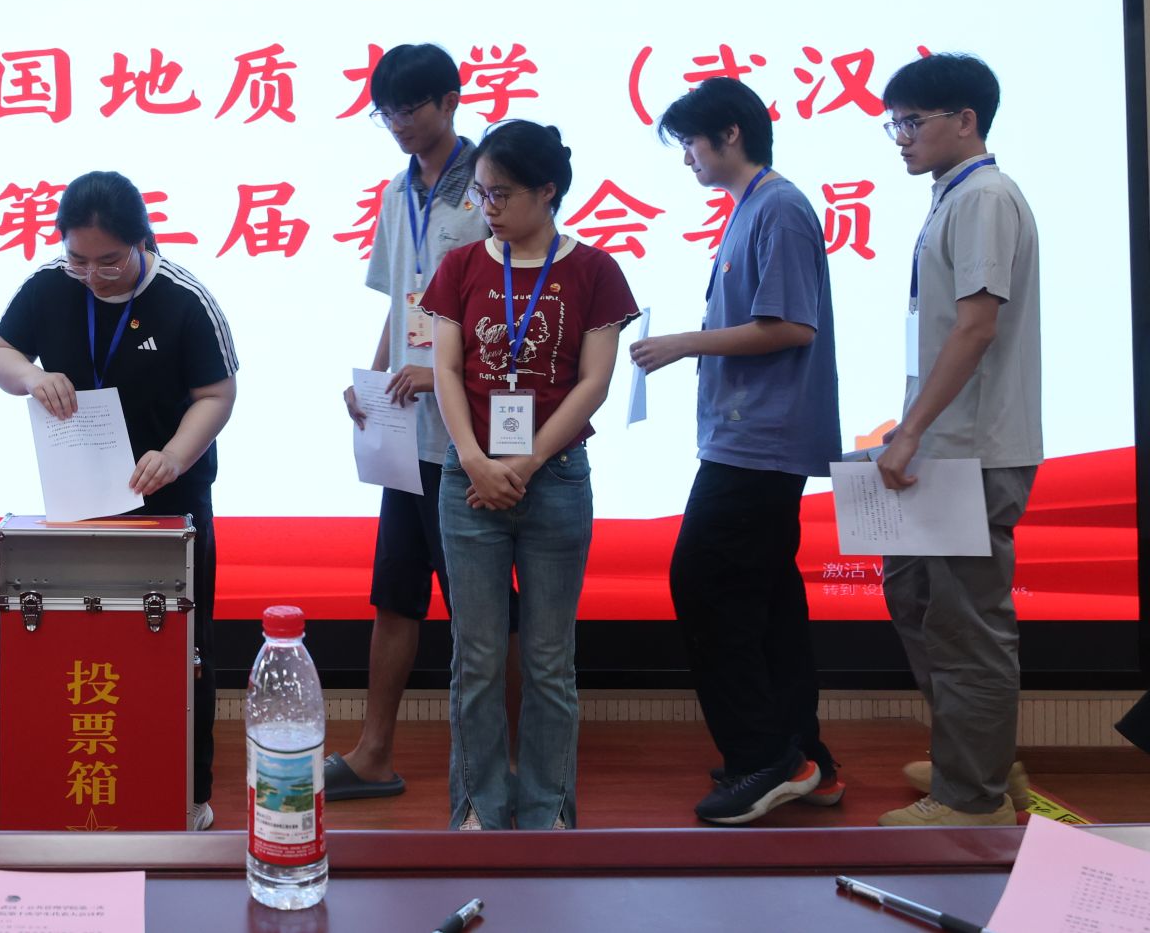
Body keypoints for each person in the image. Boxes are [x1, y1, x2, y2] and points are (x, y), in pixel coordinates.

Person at [0, 170, 237, 830]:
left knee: (182, 646)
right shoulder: (50, 285)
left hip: (170, 502)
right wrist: (30, 376)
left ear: (143, 242)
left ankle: (188, 794)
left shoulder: (184, 299)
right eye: (79, 259)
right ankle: (95, 781)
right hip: (81, 497)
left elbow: (218, 394)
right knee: (87, 639)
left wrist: (174, 454)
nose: (93, 275)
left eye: (110, 261)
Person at [633, 77, 843, 824]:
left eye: (691, 141)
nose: (687, 156)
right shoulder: (752, 207)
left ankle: (764, 758)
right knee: (766, 600)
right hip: (750, 438)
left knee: (705, 585)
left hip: (759, 442)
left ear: (730, 134)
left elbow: (791, 326)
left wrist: (684, 343)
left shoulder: (777, 207)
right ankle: (802, 754)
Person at [424, 120, 638, 831]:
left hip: (556, 477)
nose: (487, 207)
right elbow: (445, 369)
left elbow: (593, 383)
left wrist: (527, 460)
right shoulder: (460, 266)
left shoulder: (595, 270)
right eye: (481, 193)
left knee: (549, 659)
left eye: (502, 194)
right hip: (469, 479)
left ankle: (548, 813)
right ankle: (478, 809)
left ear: (547, 191)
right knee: (477, 658)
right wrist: (474, 459)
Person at [873, 53, 1040, 827]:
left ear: (965, 120)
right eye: (894, 124)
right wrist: (909, 424)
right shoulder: (954, 196)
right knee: (914, 595)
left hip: (972, 447)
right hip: (942, 444)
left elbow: (976, 327)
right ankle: (976, 755)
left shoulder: (984, 198)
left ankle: (973, 799)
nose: (901, 137)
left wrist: (911, 430)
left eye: (911, 121)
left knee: (967, 623)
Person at [328, 44, 487, 803]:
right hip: (406, 434)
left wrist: (444, 374)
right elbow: (403, 301)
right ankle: (373, 753)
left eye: (410, 107)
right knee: (394, 595)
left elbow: (511, 307)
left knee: (483, 609)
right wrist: (371, 379)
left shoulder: (491, 186)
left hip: (470, 438)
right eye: (385, 111)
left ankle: (504, 765)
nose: (397, 123)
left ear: (450, 100)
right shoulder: (397, 192)